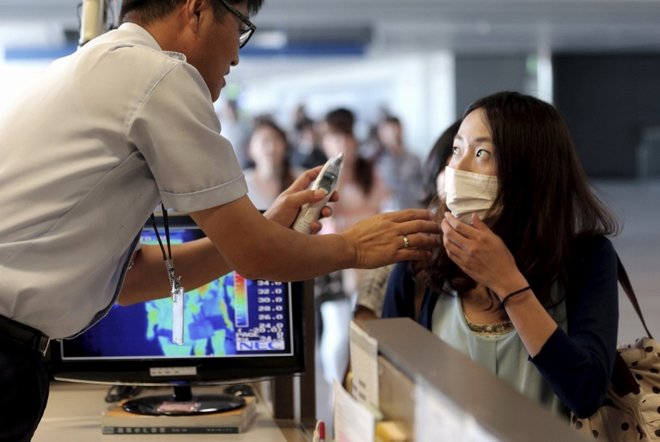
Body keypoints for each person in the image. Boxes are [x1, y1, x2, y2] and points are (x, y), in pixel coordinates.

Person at [0, 1, 441, 440]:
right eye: (241, 26)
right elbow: (258, 257)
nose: (236, 55)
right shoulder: (159, 75)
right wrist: (356, 248)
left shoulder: (94, 66)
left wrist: (262, 226)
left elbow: (132, 280)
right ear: (197, 10)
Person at [382, 91, 620, 419]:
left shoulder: (585, 259)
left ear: (530, 170)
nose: (456, 166)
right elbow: (386, 380)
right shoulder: (422, 258)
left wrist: (508, 283)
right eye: (456, 149)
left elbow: (586, 392)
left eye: (481, 153)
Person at [354, 119, 462, 321]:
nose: (461, 175)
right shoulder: (409, 249)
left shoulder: (411, 158)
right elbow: (367, 330)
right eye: (450, 164)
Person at [243, 117, 302, 210]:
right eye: (264, 141)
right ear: (250, 149)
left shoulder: (301, 179)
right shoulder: (242, 185)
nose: (271, 148)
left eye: (276, 140)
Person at [374, 115, 424, 210]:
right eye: (387, 131)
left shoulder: (414, 159)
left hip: (412, 209)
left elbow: (423, 187)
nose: (392, 135)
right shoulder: (376, 161)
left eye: (395, 129)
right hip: (384, 213)